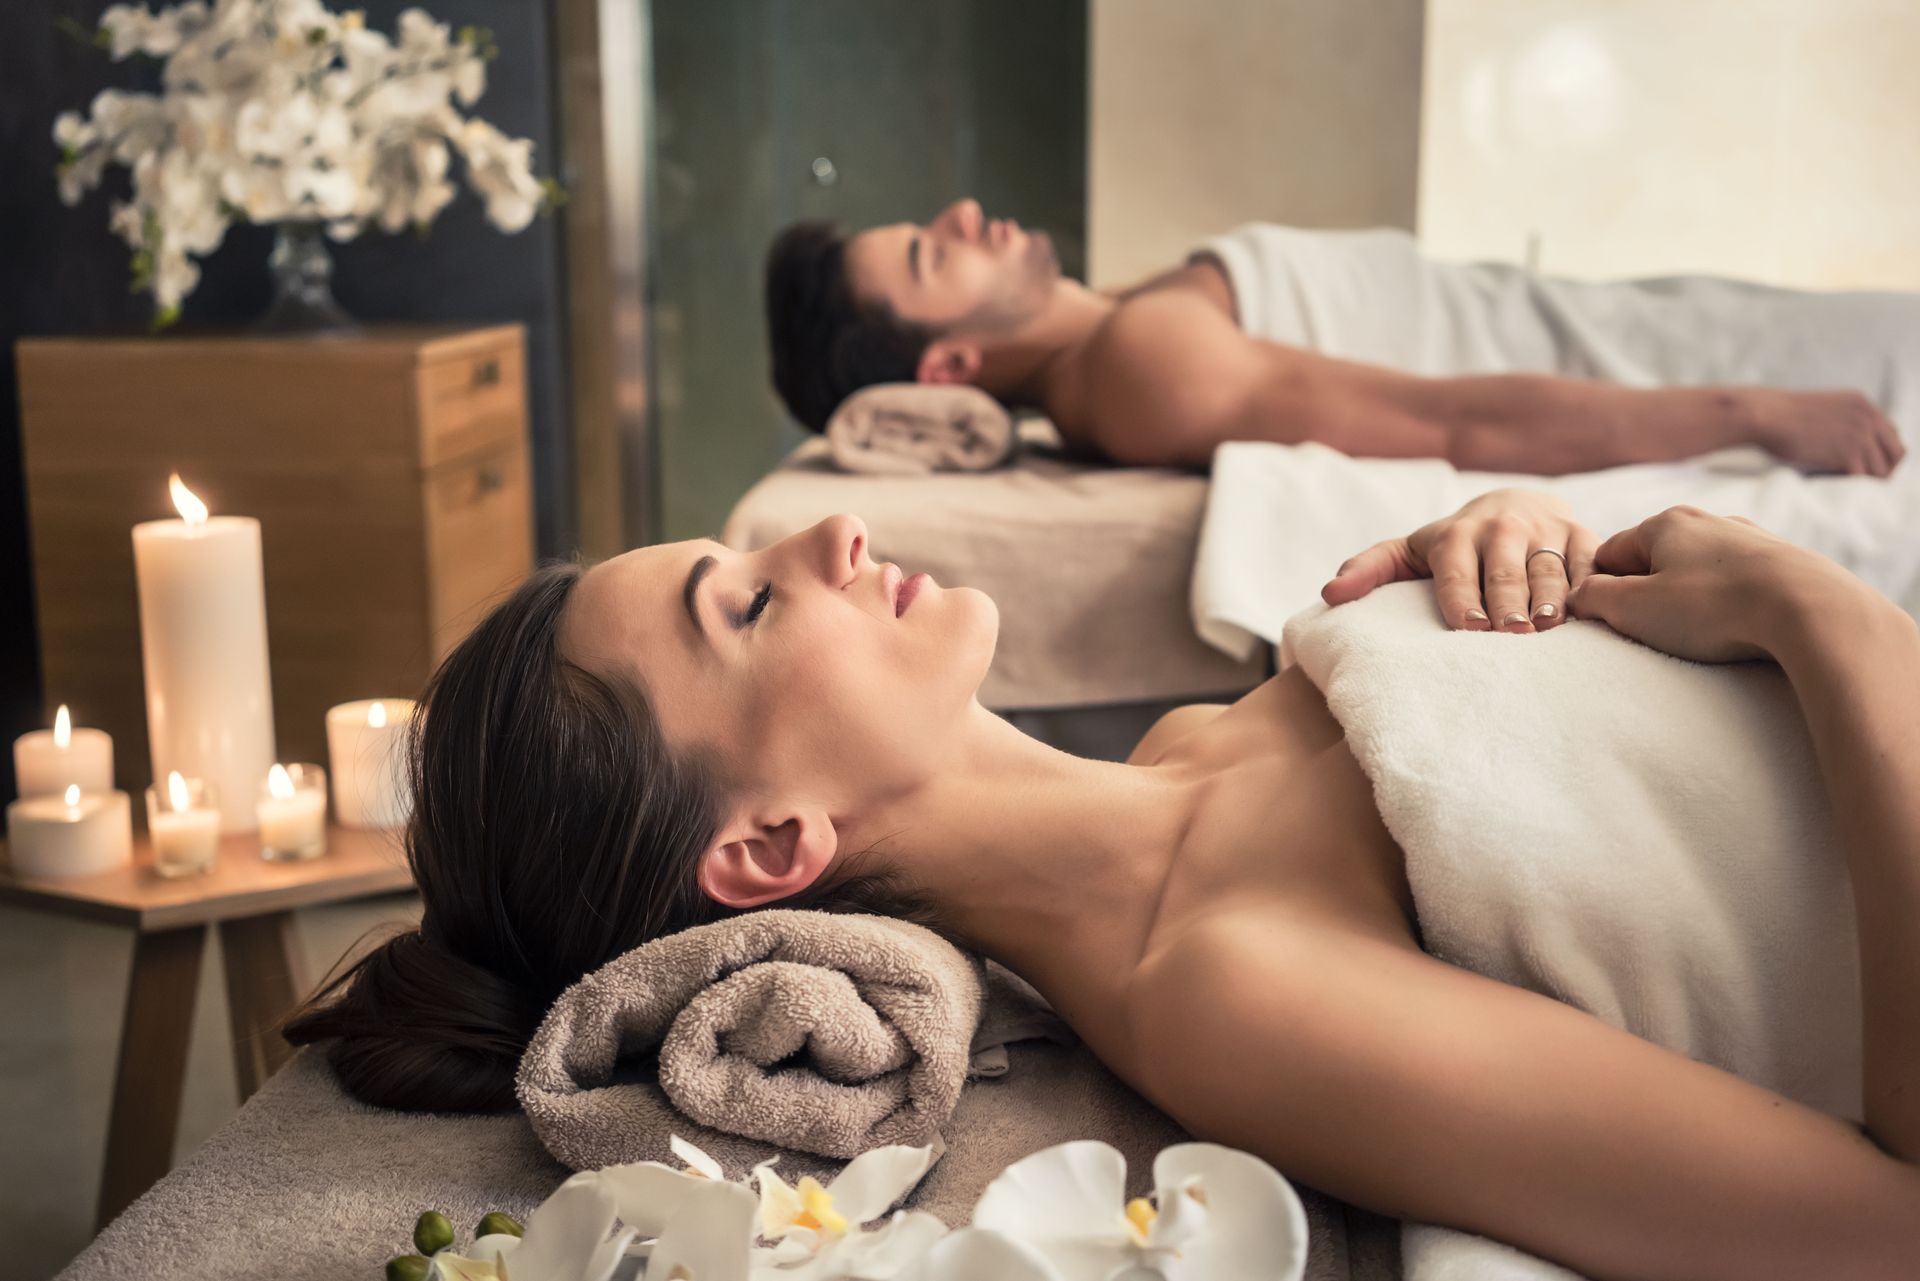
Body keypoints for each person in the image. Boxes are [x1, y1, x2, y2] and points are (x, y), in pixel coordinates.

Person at [285, 491, 1920, 1277]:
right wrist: (1817, 612)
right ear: (771, 850)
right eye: (756, 610)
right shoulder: (1221, 987)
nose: (831, 539)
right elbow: (1881, 1233)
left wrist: (1528, 555)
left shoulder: (1201, 738)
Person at [764, 200, 1912, 478]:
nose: (963, 216)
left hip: (1646, 326)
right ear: (952, 367)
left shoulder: (1123, 319)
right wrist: (1757, 413)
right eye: (933, 255)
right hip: (1687, 381)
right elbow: (1452, 423)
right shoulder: (1140, 369)